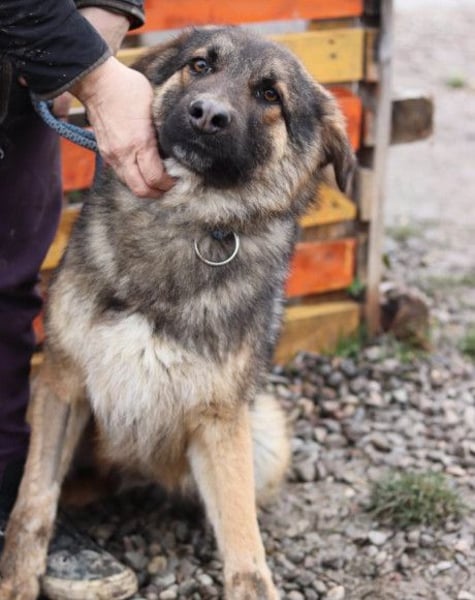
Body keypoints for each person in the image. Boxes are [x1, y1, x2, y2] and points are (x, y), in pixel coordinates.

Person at [0, 1, 173, 597]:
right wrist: (94, 75)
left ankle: (6, 498)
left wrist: (109, 7)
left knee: (9, 284)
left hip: (19, 69)